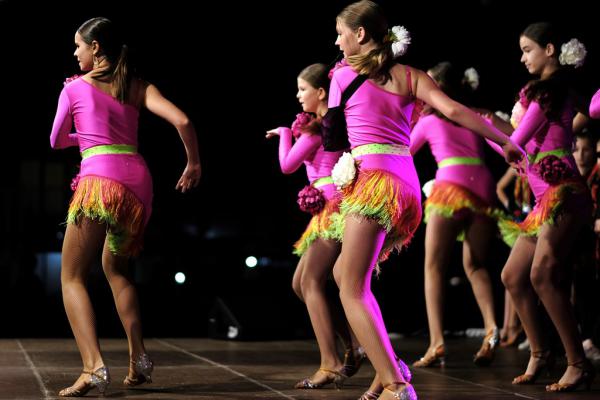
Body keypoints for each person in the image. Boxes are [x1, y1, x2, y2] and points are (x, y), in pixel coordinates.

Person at [327, 2, 520, 398]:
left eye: (340, 33)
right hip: (408, 187)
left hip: (374, 182)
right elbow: (454, 109)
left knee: (351, 287)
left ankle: (395, 383)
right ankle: (387, 365)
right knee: (344, 273)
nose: (337, 42)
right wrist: (504, 141)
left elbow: (331, 137)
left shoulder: (342, 75)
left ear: (360, 34)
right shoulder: (412, 76)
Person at [50, 17, 201, 396]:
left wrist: (86, 137)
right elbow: (183, 120)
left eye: (78, 45)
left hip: (100, 180)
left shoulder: (74, 88)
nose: (75, 52)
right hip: (137, 183)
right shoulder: (137, 85)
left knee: (71, 277)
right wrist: (193, 163)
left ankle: (93, 367)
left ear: (95, 46)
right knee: (116, 269)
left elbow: (56, 141)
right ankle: (139, 360)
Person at [486, 22, 594, 392]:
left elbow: (515, 143)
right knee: (513, 275)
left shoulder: (547, 91)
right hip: (543, 200)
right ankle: (540, 352)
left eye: (527, 50)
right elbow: (522, 150)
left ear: (549, 50)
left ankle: (577, 363)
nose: (522, 58)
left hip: (562, 193)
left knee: (542, 275)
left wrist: (485, 127)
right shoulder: (552, 92)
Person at [266, 63, 369, 389]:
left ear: (321, 92)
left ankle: (332, 362)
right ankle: (355, 344)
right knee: (301, 284)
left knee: (310, 280)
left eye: (303, 89)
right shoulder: (333, 125)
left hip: (331, 208)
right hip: (331, 206)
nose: (298, 96)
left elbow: (287, 165)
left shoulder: (315, 131)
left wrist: (284, 133)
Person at [410, 62, 500, 368]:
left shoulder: (428, 120)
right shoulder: (473, 114)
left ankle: (436, 342)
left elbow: (405, 152)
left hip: (450, 186)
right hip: (483, 187)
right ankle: (491, 329)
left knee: (434, 267)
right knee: (475, 264)